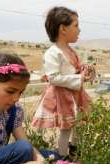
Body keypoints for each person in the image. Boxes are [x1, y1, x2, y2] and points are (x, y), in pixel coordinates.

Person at [32, 6, 95, 156]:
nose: (79, 30)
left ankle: (75, 150)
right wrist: (79, 77)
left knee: (79, 124)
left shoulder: (71, 51)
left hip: (74, 94)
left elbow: (74, 70)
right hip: (62, 96)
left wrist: (85, 71)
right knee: (66, 129)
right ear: (63, 29)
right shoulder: (53, 53)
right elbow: (53, 77)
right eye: (76, 26)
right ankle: (62, 157)